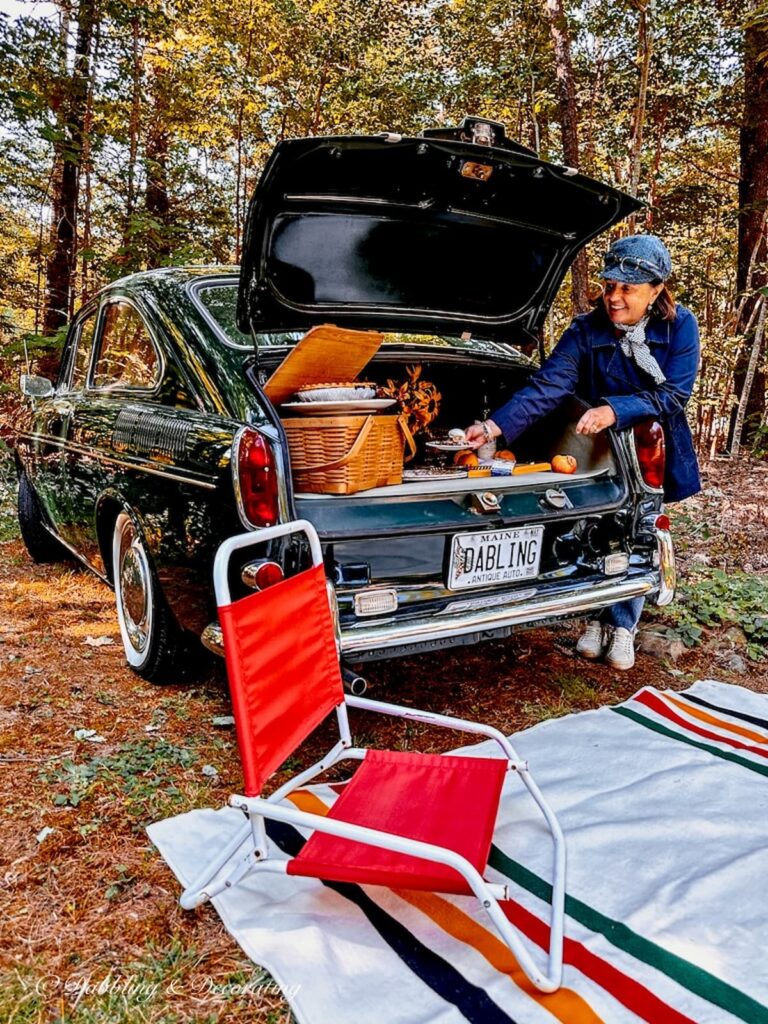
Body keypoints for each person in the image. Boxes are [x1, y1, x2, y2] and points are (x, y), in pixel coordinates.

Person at [465, 234, 701, 670]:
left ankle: (624, 625)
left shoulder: (681, 327)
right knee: (594, 525)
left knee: (638, 526)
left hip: (647, 446)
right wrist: (493, 426)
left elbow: (674, 396)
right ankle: (596, 618)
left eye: (627, 288)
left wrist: (616, 409)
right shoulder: (584, 330)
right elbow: (549, 385)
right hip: (591, 446)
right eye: (610, 285)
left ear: (656, 289)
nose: (614, 297)